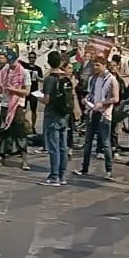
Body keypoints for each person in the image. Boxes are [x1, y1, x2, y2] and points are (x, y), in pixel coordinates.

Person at [77, 56, 119, 180]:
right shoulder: (92, 79)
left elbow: (116, 98)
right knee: (88, 142)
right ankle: (84, 168)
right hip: (92, 112)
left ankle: (109, 171)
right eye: (94, 65)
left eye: (98, 65)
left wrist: (103, 103)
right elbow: (91, 94)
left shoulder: (111, 80)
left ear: (104, 65)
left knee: (106, 143)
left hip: (104, 114)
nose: (95, 68)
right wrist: (86, 100)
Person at [39, 50, 76, 186]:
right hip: (64, 115)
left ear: (49, 62)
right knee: (63, 147)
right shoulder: (66, 77)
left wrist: (38, 97)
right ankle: (62, 176)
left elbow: (47, 100)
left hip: (52, 115)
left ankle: (54, 176)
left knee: (53, 147)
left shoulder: (50, 79)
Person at [0, 50, 31, 170]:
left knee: (20, 132)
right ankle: (1, 156)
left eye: (13, 61)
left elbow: (26, 92)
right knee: (3, 131)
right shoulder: (4, 71)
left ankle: (24, 159)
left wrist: (14, 90)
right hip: (5, 104)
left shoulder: (24, 73)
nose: (11, 64)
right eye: (9, 61)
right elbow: (0, 88)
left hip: (17, 105)